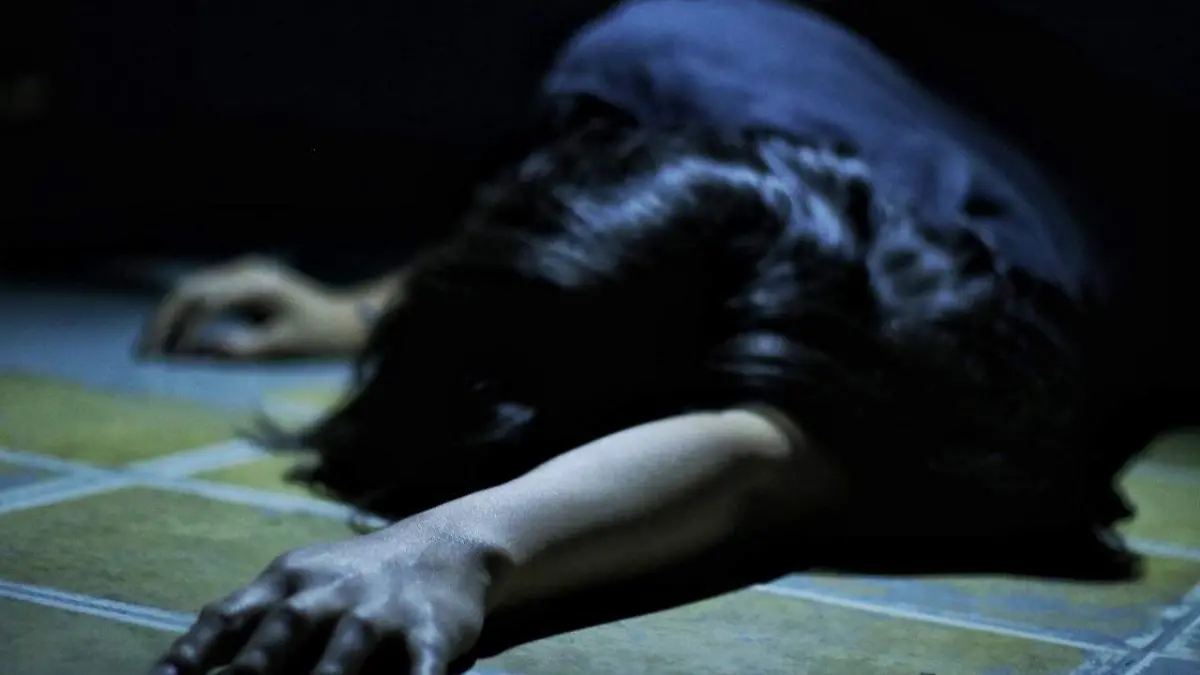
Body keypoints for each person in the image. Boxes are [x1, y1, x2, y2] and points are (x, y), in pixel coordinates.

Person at [140, 1, 1183, 673]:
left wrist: (463, 545)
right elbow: (559, 214)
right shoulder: (640, 54)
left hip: (1094, 133)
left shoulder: (995, 313)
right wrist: (361, 309)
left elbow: (763, 455)